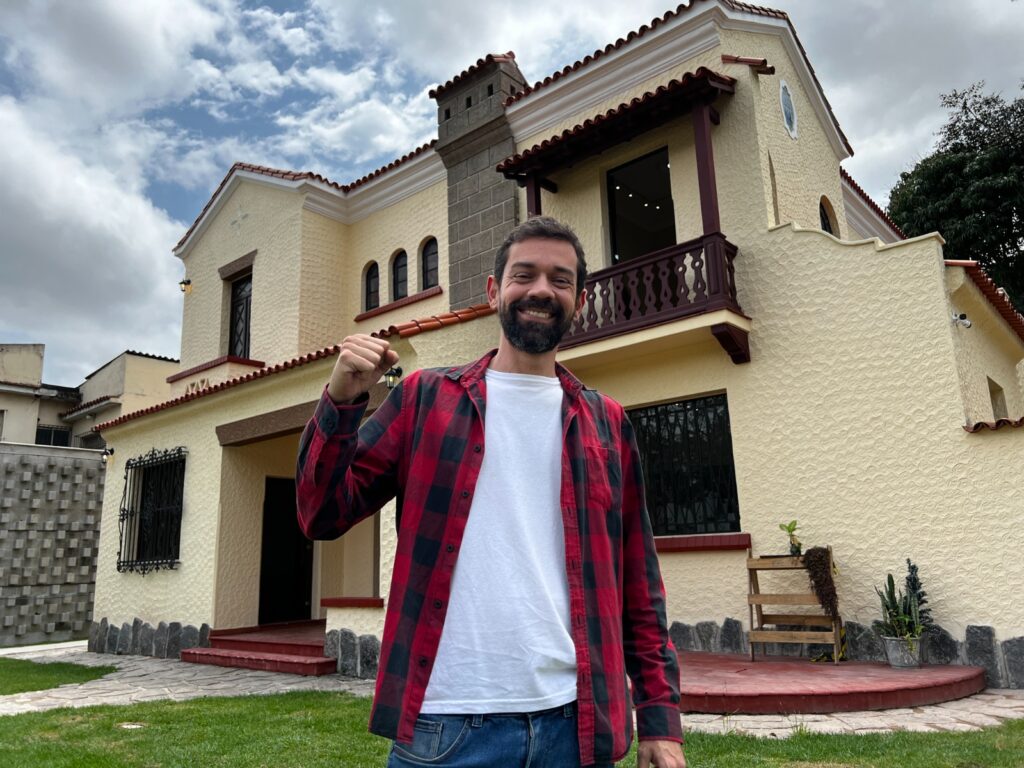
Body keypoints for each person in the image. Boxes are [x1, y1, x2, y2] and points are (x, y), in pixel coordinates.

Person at [296, 216, 685, 768]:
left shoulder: (607, 422)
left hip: (576, 727)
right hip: (446, 726)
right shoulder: (425, 400)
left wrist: (660, 719)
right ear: (493, 290)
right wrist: (340, 402)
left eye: (561, 279)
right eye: (524, 274)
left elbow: (639, 584)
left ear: (578, 300)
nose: (542, 290)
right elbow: (320, 513)